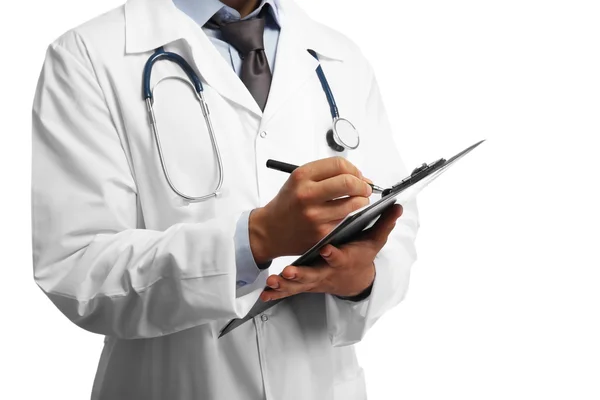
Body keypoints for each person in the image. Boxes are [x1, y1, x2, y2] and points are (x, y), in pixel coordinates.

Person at [31, 0, 419, 398]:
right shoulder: (89, 55)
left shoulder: (340, 57)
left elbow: (397, 222)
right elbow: (76, 267)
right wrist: (254, 240)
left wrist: (361, 280)